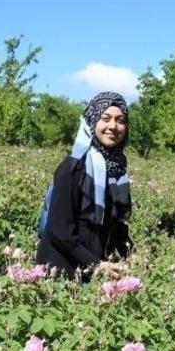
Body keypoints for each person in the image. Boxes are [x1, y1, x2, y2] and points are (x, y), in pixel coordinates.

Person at [36, 91, 132, 279]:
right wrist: (96, 265)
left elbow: (116, 227)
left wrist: (134, 256)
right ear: (92, 121)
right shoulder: (73, 168)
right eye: (105, 118)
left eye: (120, 120)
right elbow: (59, 231)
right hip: (61, 274)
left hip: (95, 271)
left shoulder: (118, 172)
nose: (113, 126)